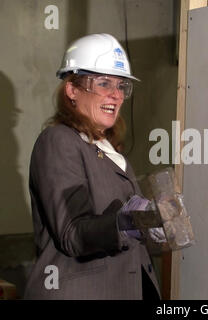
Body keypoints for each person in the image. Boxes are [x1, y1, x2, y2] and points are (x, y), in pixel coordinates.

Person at [24, 33, 161, 300]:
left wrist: (154, 220)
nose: (116, 95)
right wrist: (127, 223)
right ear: (72, 90)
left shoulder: (108, 149)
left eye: (121, 86)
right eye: (103, 83)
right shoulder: (58, 141)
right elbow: (72, 233)